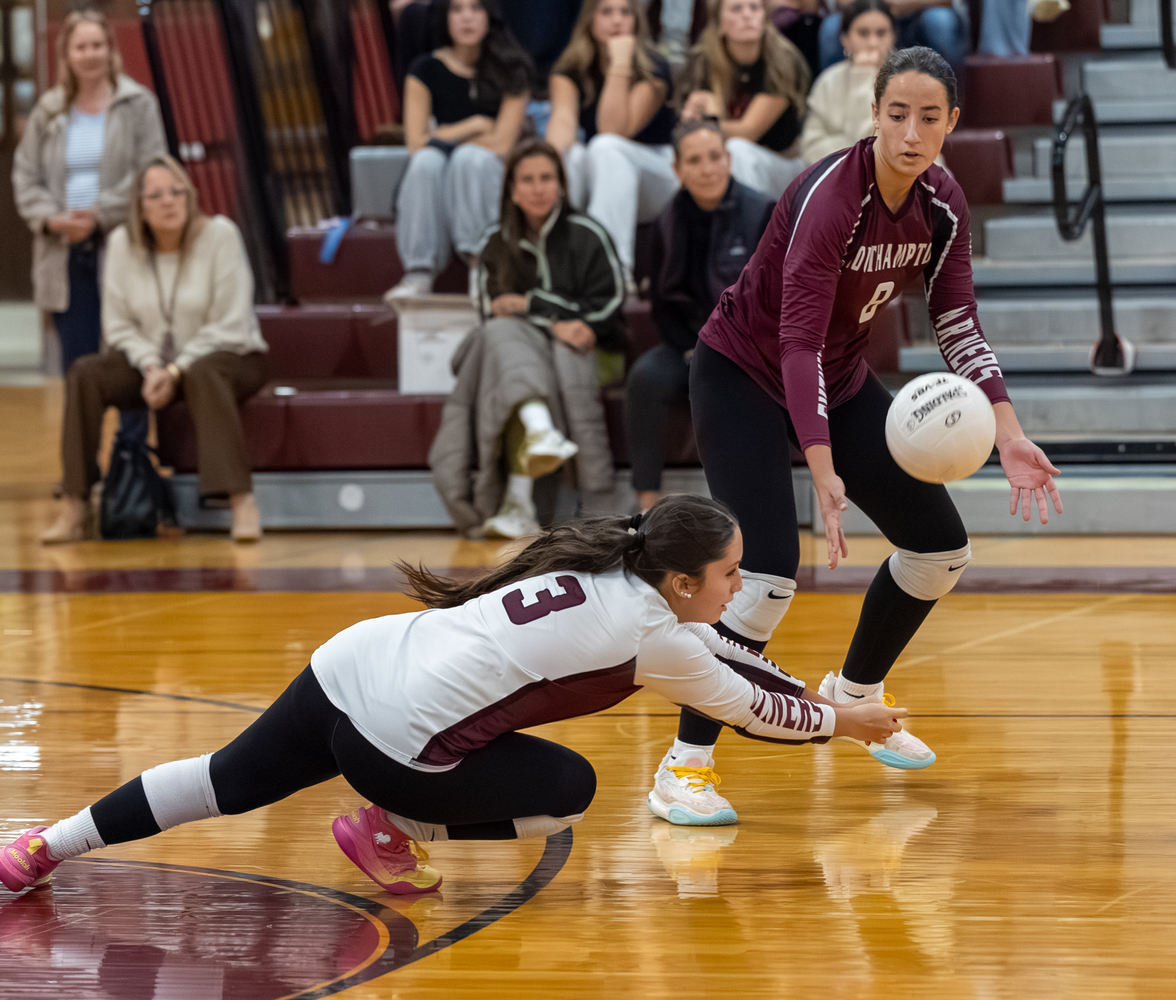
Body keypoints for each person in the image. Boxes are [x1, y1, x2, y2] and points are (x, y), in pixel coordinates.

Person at [0, 495, 909, 895]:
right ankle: (394, 828)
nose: (738, 588)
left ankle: (44, 844)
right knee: (570, 794)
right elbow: (754, 710)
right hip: (396, 745)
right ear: (678, 582)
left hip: (354, 663)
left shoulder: (618, 571)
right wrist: (848, 721)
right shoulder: (655, 640)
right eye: (729, 573)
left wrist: (819, 696)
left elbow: (731, 652)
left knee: (221, 780)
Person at [646, 47, 1063, 826]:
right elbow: (794, 338)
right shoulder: (829, 196)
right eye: (897, 114)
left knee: (940, 547)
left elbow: (957, 320)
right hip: (742, 374)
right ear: (872, 114)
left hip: (834, 379)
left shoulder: (942, 202)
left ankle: (856, 692)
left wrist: (1007, 427)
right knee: (765, 572)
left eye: (929, 117)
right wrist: (823, 467)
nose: (911, 131)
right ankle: (683, 766)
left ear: (952, 124)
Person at [40, 156, 270, 545]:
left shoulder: (219, 235)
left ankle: (241, 501)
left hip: (229, 355)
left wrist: (175, 369)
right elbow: (117, 325)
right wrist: (150, 365)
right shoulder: (121, 245)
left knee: (203, 372)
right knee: (85, 374)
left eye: (177, 192)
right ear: (140, 207)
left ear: (190, 196)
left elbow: (230, 322)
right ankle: (76, 502)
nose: (169, 201)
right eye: (157, 195)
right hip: (152, 364)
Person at [429, 141, 626, 539]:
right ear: (512, 191)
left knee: (557, 357)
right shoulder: (495, 244)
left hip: (594, 347)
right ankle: (537, 438)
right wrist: (553, 321)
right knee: (503, 341)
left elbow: (611, 306)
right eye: (528, 180)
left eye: (547, 178)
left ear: (562, 185)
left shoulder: (589, 234)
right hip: (526, 354)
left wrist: (530, 306)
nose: (538, 188)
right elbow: (494, 316)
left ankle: (525, 500)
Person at [12, 10, 165, 450]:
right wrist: (52, 219)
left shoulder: (138, 104)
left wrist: (97, 214)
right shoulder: (49, 110)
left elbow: (150, 171)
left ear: (110, 49)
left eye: (98, 45)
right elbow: (25, 175)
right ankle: (83, 469)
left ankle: (131, 461)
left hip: (122, 245)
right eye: (81, 47)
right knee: (78, 366)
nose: (90, 54)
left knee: (128, 355)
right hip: (64, 253)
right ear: (67, 55)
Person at [629, 118, 772, 511]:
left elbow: (772, 301)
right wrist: (693, 350)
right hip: (687, 345)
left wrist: (728, 352)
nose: (707, 168)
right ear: (677, 169)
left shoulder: (763, 212)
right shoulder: (665, 222)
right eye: (694, 160)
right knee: (644, 379)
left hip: (749, 346)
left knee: (737, 388)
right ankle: (646, 505)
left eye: (714, 157)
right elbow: (662, 306)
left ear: (728, 159)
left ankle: (745, 508)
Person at [385, 0, 534, 305]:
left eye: (476, 8)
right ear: (444, 18)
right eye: (456, 9)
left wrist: (441, 136)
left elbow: (502, 145)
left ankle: (483, 266)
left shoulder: (512, 68)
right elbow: (416, 143)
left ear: (489, 16)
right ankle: (419, 271)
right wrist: (475, 125)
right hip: (440, 171)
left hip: (489, 173)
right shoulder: (424, 68)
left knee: (468, 160)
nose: (466, 18)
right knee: (426, 161)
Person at [547, 0, 680, 285]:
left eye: (625, 13)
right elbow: (562, 122)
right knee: (572, 158)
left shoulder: (654, 66)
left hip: (659, 175)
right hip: (607, 173)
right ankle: (553, 265)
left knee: (605, 147)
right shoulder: (570, 68)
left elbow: (614, 129)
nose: (617, 20)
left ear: (637, 22)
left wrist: (620, 63)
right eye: (606, 12)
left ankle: (612, 271)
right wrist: (553, 169)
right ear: (590, 21)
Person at [679, 0, 810, 200]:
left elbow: (748, 131)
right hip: (735, 161)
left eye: (754, 7)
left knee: (737, 150)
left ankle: (748, 228)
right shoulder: (704, 61)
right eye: (736, 8)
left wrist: (707, 121)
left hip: (785, 166)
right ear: (720, 24)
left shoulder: (782, 59)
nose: (747, 15)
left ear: (764, 18)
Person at [801, 0, 894, 165]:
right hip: (839, 179)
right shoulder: (829, 81)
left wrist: (866, 79)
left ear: (892, 38)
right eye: (863, 33)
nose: (873, 43)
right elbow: (810, 148)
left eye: (881, 33)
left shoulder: (909, 80)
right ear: (845, 39)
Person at [817, 0, 963, 74]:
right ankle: (833, 95)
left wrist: (914, 2)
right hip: (865, 12)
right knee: (830, 28)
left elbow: (950, 2)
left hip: (917, 17)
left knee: (940, 22)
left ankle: (948, 102)